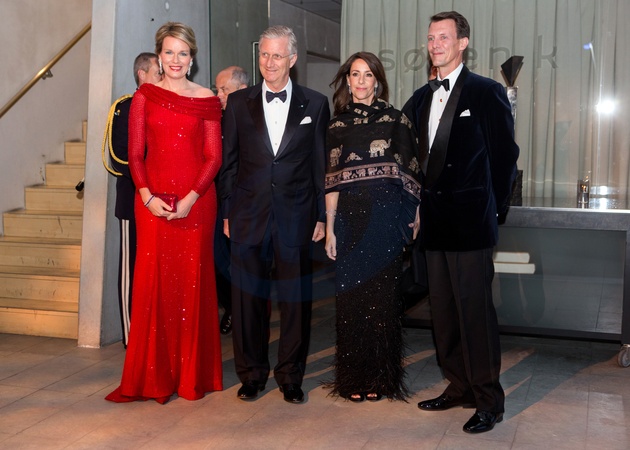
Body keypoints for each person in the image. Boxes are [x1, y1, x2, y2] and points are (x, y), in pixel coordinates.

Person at [403, 11, 519, 433]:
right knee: (445, 313)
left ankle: (489, 399)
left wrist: (493, 210)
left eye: (443, 37)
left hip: (471, 224)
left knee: (475, 314)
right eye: (431, 38)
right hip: (434, 224)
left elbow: (505, 158)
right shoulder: (420, 98)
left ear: (463, 43)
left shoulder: (487, 92)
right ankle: (459, 386)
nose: (435, 45)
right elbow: (409, 159)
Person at [106, 21, 223, 404]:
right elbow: (135, 153)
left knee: (192, 285)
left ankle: (191, 375)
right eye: (169, 52)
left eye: (182, 53)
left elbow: (213, 157)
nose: (176, 59)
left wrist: (190, 198)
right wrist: (146, 195)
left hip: (197, 203)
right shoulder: (145, 96)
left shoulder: (206, 98)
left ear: (192, 58)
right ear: (159, 56)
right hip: (151, 205)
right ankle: (154, 376)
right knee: (154, 286)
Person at [218, 25, 330, 404]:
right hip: (247, 215)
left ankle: (290, 376)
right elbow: (229, 163)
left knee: (295, 301)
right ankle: (251, 374)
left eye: (277, 55)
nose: (269, 62)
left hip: (296, 216)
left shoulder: (315, 104)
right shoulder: (238, 103)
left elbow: (320, 165)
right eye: (264, 54)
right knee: (246, 300)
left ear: (292, 59)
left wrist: (321, 215)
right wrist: (228, 212)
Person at [323, 52, 421, 402]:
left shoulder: (397, 120)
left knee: (382, 302)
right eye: (355, 74)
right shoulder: (337, 126)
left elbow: (412, 172)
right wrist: (330, 228)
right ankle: (353, 380)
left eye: (368, 75)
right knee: (351, 301)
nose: (361, 81)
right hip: (349, 221)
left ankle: (382, 379)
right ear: (347, 81)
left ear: (377, 81)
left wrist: (415, 214)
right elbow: (332, 181)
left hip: (386, 219)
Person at [103, 52, 161, 348]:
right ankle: (131, 337)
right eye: (158, 71)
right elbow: (118, 155)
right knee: (131, 269)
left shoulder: (165, 106)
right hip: (133, 201)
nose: (162, 76)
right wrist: (153, 178)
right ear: (142, 74)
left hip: (162, 204)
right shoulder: (125, 107)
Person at [213, 65, 250, 335]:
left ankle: (245, 314)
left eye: (224, 89)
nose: (218, 95)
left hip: (247, 204)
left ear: (242, 90)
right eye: (217, 89)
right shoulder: (216, 119)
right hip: (218, 202)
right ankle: (232, 307)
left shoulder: (257, 118)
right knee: (218, 259)